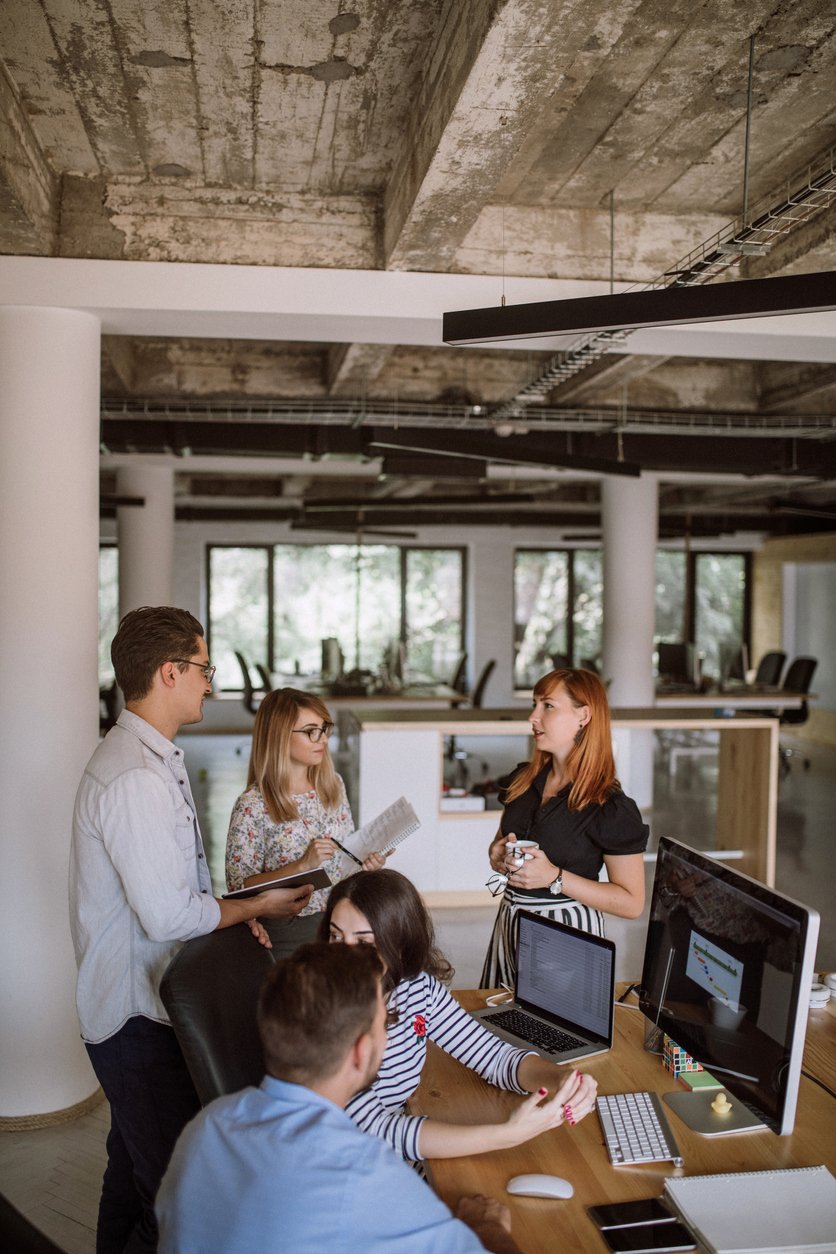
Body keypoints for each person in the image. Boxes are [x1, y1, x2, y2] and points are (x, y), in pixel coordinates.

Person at [69, 606, 315, 1254]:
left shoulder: (151, 760)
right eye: (205, 669)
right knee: (171, 1197)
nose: (210, 683)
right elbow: (169, 916)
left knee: (129, 1176)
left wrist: (231, 922)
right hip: (134, 1021)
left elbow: (180, 895)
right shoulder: (134, 777)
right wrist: (251, 910)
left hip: (146, 1007)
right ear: (170, 671)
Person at [156, 944, 523, 1254]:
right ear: (361, 1052)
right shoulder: (364, 1172)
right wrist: (485, 1225)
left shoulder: (205, 1128)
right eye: (385, 1023)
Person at [320, 868, 598, 1166]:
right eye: (336, 936)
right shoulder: (321, 1013)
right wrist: (505, 1135)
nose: (343, 955)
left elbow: (494, 1057)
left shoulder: (416, 989)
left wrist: (562, 1078)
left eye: (363, 942)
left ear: (399, 943)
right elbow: (377, 1131)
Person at [481, 667, 648, 988]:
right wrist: (496, 854)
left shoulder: (609, 807)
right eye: (534, 704)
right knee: (501, 1028)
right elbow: (499, 845)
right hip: (509, 924)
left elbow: (631, 902)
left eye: (548, 706)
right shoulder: (522, 781)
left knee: (553, 1035)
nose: (533, 716)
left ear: (583, 716)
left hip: (567, 939)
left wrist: (555, 878)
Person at [225, 686, 385, 956]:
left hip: (339, 923)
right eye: (311, 731)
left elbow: (345, 860)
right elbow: (240, 888)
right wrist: (302, 865)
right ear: (279, 736)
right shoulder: (252, 804)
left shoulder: (333, 786)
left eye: (324, 729)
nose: (322, 739)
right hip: (286, 932)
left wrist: (365, 864)